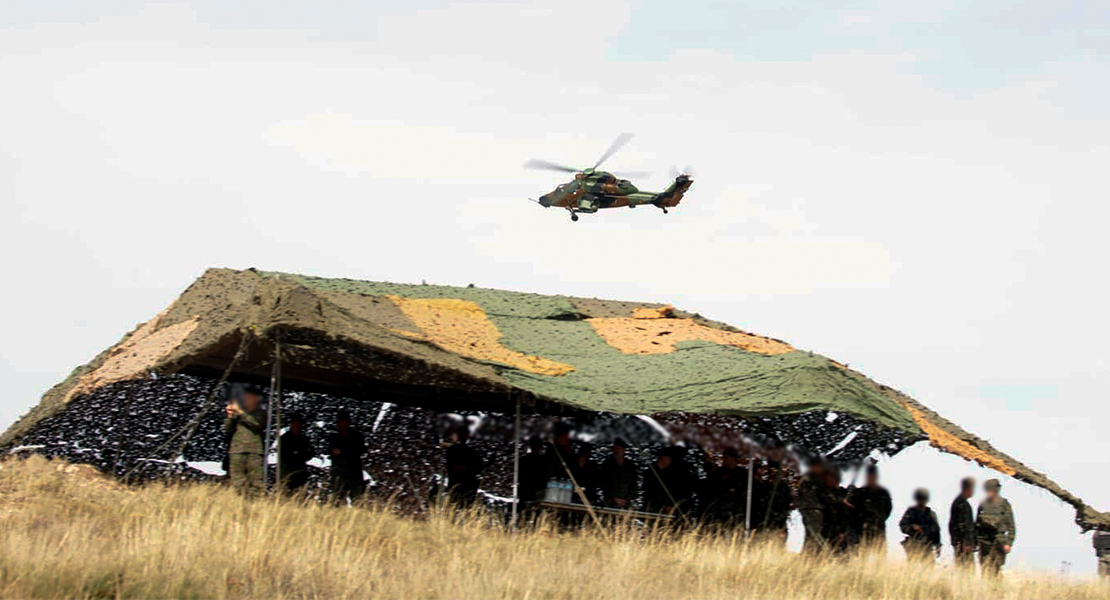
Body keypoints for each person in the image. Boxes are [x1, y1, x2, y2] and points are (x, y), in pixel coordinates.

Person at [224, 385, 267, 497]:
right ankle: (239, 502)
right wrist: (230, 416)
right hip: (237, 450)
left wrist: (241, 413)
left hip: (254, 450)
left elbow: (257, 424)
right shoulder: (238, 414)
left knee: (256, 481)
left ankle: (255, 504)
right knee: (237, 480)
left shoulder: (260, 412)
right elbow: (228, 429)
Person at [847, 464, 893, 550]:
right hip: (862, 531)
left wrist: (879, 519)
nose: (871, 478)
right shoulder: (859, 493)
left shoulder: (883, 493)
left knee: (879, 557)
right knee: (863, 556)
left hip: (879, 530)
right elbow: (851, 512)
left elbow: (888, 510)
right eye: (869, 476)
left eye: (873, 476)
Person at [976, 478, 1016, 577]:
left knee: (996, 570)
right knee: (984, 570)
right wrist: (975, 541)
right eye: (988, 490)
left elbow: (1011, 525)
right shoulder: (983, 504)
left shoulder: (1004, 504)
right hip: (984, 541)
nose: (989, 493)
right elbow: (976, 523)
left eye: (991, 490)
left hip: (998, 541)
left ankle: (997, 589)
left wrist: (1008, 543)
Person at [701, 448, 749, 528]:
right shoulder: (719, 472)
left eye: (726, 457)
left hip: (736, 508)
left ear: (733, 458)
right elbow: (713, 486)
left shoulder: (741, 473)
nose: (724, 459)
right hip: (719, 509)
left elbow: (742, 488)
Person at [327, 409, 366, 505]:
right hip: (339, 472)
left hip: (354, 473)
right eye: (338, 422)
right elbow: (331, 451)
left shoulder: (356, 436)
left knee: (357, 500)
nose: (340, 424)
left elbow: (360, 449)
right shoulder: (334, 437)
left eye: (342, 421)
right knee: (337, 499)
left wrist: (343, 451)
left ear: (348, 422)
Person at [642, 446, 692, 515]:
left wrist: (673, 505)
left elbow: (680, 490)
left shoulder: (674, 473)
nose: (670, 461)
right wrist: (666, 504)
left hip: (674, 507)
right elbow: (652, 491)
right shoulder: (651, 473)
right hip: (655, 507)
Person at [444, 425, 485, 506]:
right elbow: (452, 465)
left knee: (464, 504)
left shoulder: (471, 451)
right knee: (455, 504)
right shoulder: (453, 450)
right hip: (457, 482)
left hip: (468, 484)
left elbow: (479, 466)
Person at [899, 488, 942, 563]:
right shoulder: (911, 512)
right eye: (920, 498)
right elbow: (903, 525)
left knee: (929, 570)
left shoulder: (931, 514)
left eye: (924, 498)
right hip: (914, 546)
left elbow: (936, 531)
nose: (922, 501)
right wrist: (912, 528)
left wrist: (938, 546)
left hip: (928, 546)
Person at [796, 460, 829, 556]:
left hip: (807, 507)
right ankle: (827, 553)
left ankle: (808, 555)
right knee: (815, 533)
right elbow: (824, 494)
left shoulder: (805, 479)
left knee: (810, 534)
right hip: (813, 508)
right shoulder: (813, 478)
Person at [277, 412, 314, 494]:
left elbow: (310, 453)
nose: (297, 425)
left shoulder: (304, 439)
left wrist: (298, 453)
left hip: (301, 472)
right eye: (295, 423)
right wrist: (299, 453)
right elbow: (285, 455)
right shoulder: (284, 439)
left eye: (299, 423)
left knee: (301, 494)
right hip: (288, 471)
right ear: (291, 424)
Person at [822, 465, 853, 555]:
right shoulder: (824, 493)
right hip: (827, 527)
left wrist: (842, 531)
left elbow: (844, 514)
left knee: (841, 552)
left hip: (839, 527)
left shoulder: (841, 493)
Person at [599, 438, 638, 509]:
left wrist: (627, 499)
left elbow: (634, 484)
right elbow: (603, 482)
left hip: (625, 502)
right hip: (609, 501)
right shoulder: (607, 464)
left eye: (618, 449)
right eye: (614, 448)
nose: (616, 451)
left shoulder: (630, 466)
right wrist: (613, 497)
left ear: (624, 451)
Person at [948, 477, 977, 570]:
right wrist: (967, 543)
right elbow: (964, 526)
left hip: (959, 542)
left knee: (962, 568)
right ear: (969, 489)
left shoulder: (958, 502)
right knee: (967, 569)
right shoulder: (962, 504)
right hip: (963, 544)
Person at [518, 435, 548, 502]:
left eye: (537, 445)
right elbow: (520, 475)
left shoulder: (543, 460)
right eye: (534, 445)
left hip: (539, 489)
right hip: (526, 489)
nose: (535, 447)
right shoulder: (523, 460)